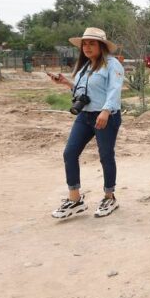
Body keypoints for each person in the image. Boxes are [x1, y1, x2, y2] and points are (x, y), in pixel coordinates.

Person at [48, 28, 124, 219]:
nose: (87, 47)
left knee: (106, 155)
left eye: (92, 43)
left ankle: (109, 196)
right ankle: (75, 199)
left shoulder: (112, 64)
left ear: (101, 46)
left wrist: (106, 110)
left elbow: (115, 90)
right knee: (70, 152)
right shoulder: (85, 67)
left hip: (105, 116)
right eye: (85, 44)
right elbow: (83, 93)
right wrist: (67, 83)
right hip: (85, 116)